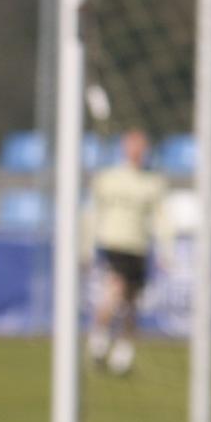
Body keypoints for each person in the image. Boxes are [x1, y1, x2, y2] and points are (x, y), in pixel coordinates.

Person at [85, 126, 173, 376]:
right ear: (124, 148)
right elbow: (92, 213)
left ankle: (124, 351)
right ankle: (99, 338)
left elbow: (161, 218)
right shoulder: (108, 178)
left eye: (141, 146)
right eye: (133, 145)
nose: (136, 151)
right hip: (114, 243)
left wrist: (167, 249)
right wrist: (88, 246)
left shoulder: (152, 182)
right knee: (115, 289)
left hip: (139, 247)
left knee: (132, 302)